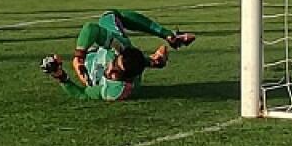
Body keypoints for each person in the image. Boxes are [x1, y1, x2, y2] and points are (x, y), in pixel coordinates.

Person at [40, 9, 196, 101]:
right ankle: (167, 38)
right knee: (111, 16)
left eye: (114, 68)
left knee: (109, 14)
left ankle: (156, 60)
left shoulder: (114, 90)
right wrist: (78, 56)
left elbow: (83, 94)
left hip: (100, 58)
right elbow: (90, 29)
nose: (110, 66)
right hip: (112, 52)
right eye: (115, 62)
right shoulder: (120, 50)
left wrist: (59, 75)